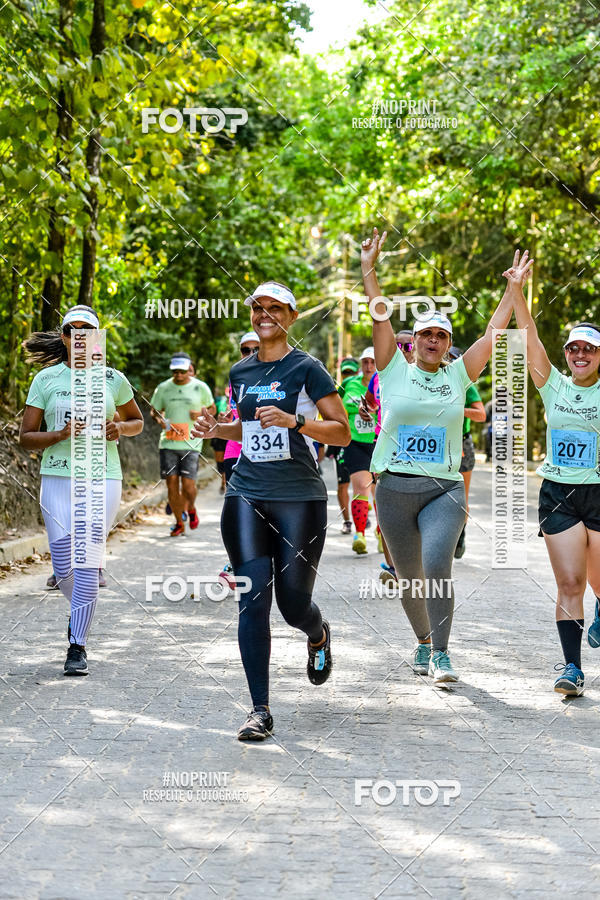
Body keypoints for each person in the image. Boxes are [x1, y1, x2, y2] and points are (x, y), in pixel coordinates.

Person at [361, 230, 533, 685]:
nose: (434, 340)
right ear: (413, 340)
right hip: (394, 487)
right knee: (408, 576)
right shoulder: (392, 368)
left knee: (438, 563)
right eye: (426, 334)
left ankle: (441, 652)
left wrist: (512, 290)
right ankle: (421, 641)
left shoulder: (459, 375)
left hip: (444, 488)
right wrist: (369, 271)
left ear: (448, 343)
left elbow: (495, 334)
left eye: (442, 335)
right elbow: (380, 318)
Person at [192, 281, 350, 741]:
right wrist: (214, 428)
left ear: (291, 316)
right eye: (258, 308)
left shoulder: (307, 368)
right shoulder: (240, 372)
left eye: (274, 309)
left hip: (299, 498)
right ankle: (259, 709)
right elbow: (243, 430)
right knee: (252, 599)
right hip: (246, 493)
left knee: (293, 604)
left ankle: (317, 634)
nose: (265, 315)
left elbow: (340, 432)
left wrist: (296, 421)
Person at [20, 305, 143, 675]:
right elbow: (26, 437)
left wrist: (119, 429)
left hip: (102, 476)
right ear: (63, 337)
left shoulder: (112, 378)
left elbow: (136, 421)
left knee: (87, 561)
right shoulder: (46, 379)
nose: (79, 337)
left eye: (86, 331)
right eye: (72, 331)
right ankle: (82, 611)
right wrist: (58, 434)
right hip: (57, 475)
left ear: (96, 338)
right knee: (63, 566)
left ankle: (78, 643)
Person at [510, 267, 600, 697]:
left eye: (590, 349)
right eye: (574, 348)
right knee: (569, 584)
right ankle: (572, 667)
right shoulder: (552, 385)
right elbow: (529, 337)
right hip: (559, 493)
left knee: (599, 583)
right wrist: (516, 291)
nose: (580, 354)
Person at [363, 331, 415, 578]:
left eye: (408, 345)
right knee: (384, 506)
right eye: (398, 345)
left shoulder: (427, 375)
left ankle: (414, 567)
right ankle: (393, 568)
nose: (403, 349)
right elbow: (370, 402)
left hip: (417, 448)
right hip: (383, 445)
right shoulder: (378, 376)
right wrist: (367, 411)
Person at [150, 352, 215, 536]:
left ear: (189, 369)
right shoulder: (163, 388)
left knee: (188, 486)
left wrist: (201, 414)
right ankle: (179, 522)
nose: (178, 375)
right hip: (168, 443)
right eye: (175, 371)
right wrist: (159, 419)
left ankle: (191, 507)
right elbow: (154, 410)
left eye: (182, 371)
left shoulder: (200, 387)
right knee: (171, 484)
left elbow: (212, 408)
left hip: (191, 443)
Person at [447, 346, 486, 558]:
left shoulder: (466, 385)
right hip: (439, 444)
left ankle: (460, 535)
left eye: (454, 359)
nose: (451, 363)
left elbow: (481, 415)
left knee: (460, 497)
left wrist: (458, 409)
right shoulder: (431, 379)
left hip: (462, 444)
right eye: (448, 359)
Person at [339, 347, 378, 554]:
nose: (369, 366)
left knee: (380, 492)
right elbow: (335, 405)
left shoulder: (386, 383)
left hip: (379, 442)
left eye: (373, 361)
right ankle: (360, 534)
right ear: (361, 365)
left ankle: (382, 532)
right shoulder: (348, 384)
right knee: (361, 487)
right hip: (355, 442)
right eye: (366, 362)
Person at [325, 356, 358, 534]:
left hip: (363, 443)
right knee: (343, 484)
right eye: (345, 372)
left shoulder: (366, 387)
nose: (348, 375)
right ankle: (347, 521)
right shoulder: (337, 391)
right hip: (342, 445)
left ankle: (363, 515)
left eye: (351, 372)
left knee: (365, 484)